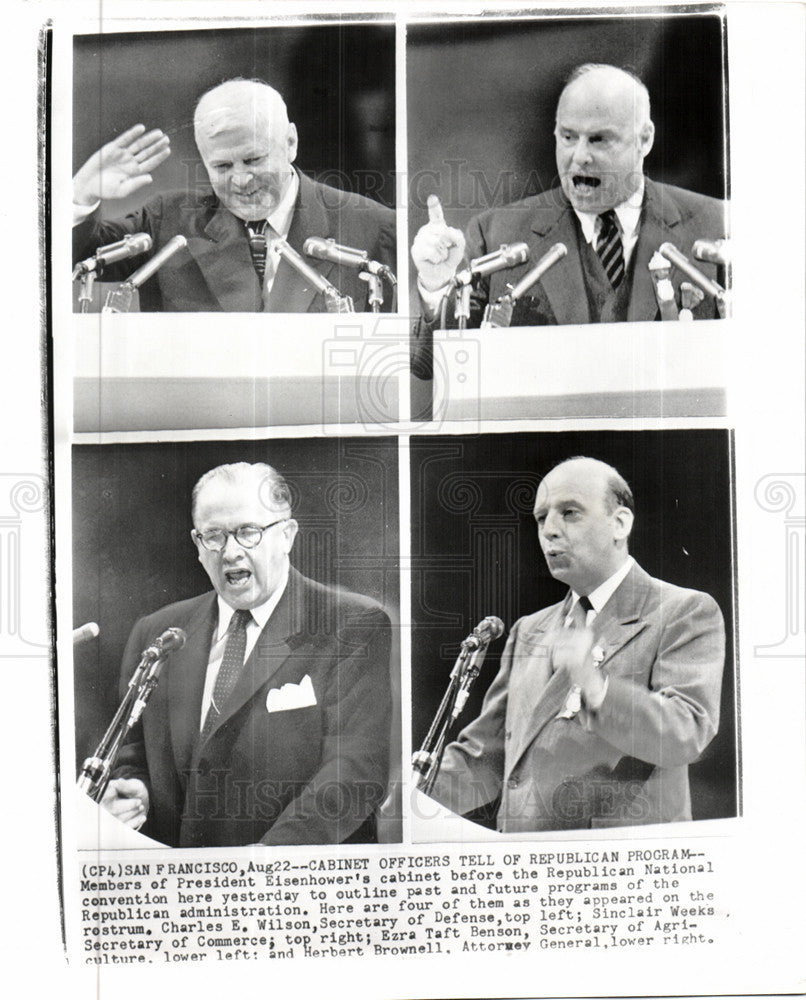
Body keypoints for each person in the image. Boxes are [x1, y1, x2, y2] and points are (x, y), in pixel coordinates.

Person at [426, 456, 725, 831]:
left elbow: (687, 732)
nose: (549, 530)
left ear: (619, 523)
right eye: (540, 518)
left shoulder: (682, 611)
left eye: (569, 513)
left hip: (618, 868)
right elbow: (487, 756)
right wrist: (415, 795)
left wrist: (597, 689)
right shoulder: (528, 629)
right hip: (520, 865)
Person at [102, 462, 392, 847]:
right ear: (197, 545)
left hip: (293, 889)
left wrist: (266, 863)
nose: (230, 552)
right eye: (214, 536)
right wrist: (135, 792)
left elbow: (357, 770)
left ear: (287, 535)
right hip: (178, 887)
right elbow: (131, 750)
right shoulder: (158, 633)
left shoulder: (351, 625)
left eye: (248, 532)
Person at [411, 64, 727, 328]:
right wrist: (435, 287)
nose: (579, 157)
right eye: (568, 137)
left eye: (599, 139)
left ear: (644, 140)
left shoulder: (719, 225)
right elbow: (432, 370)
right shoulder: (495, 236)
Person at [73, 79, 396, 312]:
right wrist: (80, 197)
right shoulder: (166, 222)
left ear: (291, 143)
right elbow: (73, 259)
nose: (241, 179)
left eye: (254, 160)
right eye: (223, 166)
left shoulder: (372, 226)